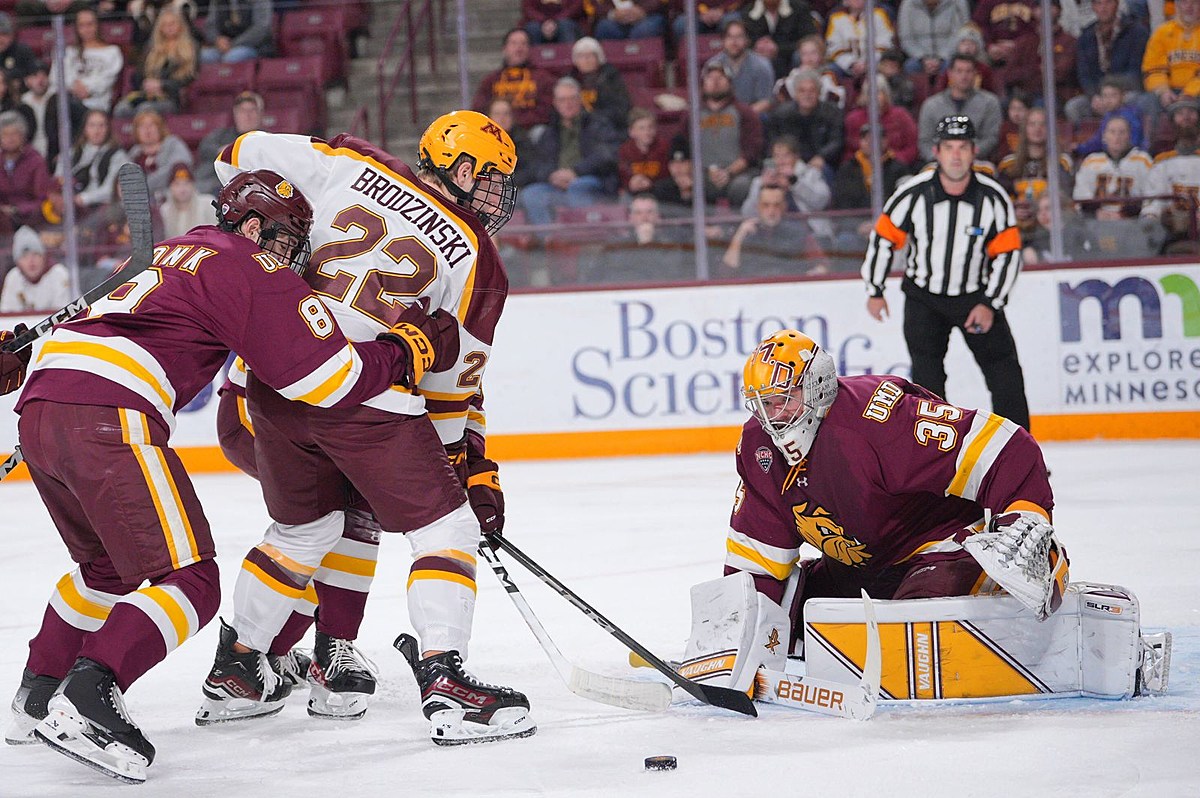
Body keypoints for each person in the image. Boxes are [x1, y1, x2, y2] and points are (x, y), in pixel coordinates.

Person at [4, 169, 449, 783]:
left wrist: (17, 350)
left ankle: (35, 695)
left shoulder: (164, 254)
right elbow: (327, 380)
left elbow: (104, 324)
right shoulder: (245, 262)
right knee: (191, 579)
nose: (291, 258)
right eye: (288, 239)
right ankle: (90, 693)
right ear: (251, 223)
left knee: (105, 571)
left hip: (41, 411)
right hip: (109, 416)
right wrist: (406, 349)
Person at [197, 111, 536, 744]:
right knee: (445, 527)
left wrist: (278, 249)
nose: (497, 198)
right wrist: (467, 477)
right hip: (363, 389)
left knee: (305, 530)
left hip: (274, 377)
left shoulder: (348, 161)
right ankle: (446, 683)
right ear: (461, 169)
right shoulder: (480, 262)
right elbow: (446, 391)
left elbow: (234, 152)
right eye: (492, 180)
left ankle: (238, 670)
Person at [722, 328, 1065, 658]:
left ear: (818, 386)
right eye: (763, 404)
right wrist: (742, 637)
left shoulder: (880, 420)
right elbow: (756, 561)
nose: (773, 417)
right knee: (788, 614)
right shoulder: (758, 448)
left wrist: (1025, 519)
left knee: (916, 630)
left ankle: (1005, 588)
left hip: (940, 548)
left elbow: (1006, 448)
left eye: (784, 400)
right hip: (863, 567)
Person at [862, 115, 1031, 431]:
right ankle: (936, 461)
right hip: (924, 299)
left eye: (963, 147)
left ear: (974, 151)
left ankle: (1019, 456)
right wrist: (875, 288)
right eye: (949, 147)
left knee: (1005, 374)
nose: (956, 155)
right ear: (936, 151)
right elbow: (884, 238)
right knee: (927, 386)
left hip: (974, 298)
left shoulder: (993, 199)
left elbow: (1008, 255)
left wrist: (990, 303)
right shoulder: (912, 194)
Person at [519, 76, 622, 226]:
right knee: (531, 194)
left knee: (578, 187)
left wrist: (575, 172)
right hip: (556, 183)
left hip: (590, 179)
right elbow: (537, 164)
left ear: (580, 100)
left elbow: (606, 156)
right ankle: (550, 240)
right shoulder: (549, 132)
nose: (567, 104)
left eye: (572, 99)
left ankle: (582, 238)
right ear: (555, 103)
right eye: (562, 100)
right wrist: (551, 175)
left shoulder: (598, 125)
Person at [580, 193, 689, 283]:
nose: (644, 217)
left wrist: (647, 245)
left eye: (649, 212)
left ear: (658, 217)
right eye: (638, 213)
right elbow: (594, 278)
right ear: (630, 218)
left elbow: (670, 277)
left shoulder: (670, 246)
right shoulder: (615, 245)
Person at [723, 183, 827, 276]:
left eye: (776, 205)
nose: (771, 211)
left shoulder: (799, 232)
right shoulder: (745, 233)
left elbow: (822, 266)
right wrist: (739, 236)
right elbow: (727, 273)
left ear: (784, 207)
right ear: (758, 207)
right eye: (766, 205)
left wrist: (811, 276)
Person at [113, 8, 199, 118]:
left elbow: (189, 79)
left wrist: (162, 85)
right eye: (165, 24)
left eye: (172, 23)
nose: (169, 27)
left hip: (172, 97)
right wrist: (146, 83)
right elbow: (138, 75)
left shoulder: (191, 47)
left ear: (181, 25)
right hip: (147, 94)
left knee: (145, 110)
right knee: (121, 109)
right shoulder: (151, 48)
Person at [918, 54, 1003, 161]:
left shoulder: (990, 102)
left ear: (976, 74)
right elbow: (925, 141)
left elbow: (992, 138)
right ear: (950, 74)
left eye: (968, 71)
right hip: (937, 163)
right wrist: (940, 159)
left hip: (977, 163)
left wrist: (967, 155)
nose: (964, 76)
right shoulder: (931, 105)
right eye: (959, 71)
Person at [472, 28, 556, 130]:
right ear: (504, 48)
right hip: (497, 131)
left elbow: (547, 111)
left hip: (530, 130)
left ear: (529, 49)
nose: (519, 48)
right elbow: (479, 109)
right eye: (514, 43)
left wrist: (516, 122)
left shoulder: (543, 78)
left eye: (523, 44)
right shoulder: (491, 80)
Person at [50, 8, 123, 112]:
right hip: (68, 102)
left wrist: (87, 88)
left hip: (96, 105)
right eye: (82, 25)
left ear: (98, 25)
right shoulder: (68, 51)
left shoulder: (112, 51)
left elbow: (107, 79)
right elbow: (55, 77)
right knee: (55, 101)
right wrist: (74, 87)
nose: (86, 29)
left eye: (90, 24)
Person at [66, 109, 131, 221]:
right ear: (85, 128)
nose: (97, 130)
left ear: (108, 129)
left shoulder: (118, 156)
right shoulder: (71, 153)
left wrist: (83, 198)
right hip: (71, 206)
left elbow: (111, 190)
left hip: (100, 210)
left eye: (101, 125)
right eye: (92, 125)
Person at [194, 91, 261, 195]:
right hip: (217, 183)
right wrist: (223, 150)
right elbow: (204, 148)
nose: (248, 115)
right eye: (243, 111)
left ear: (259, 114)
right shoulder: (222, 135)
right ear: (235, 113)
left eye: (252, 110)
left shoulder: (265, 138)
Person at [706, 18, 778, 114]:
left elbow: (765, 102)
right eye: (729, 37)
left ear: (747, 40)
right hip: (720, 116)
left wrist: (742, 117)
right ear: (723, 40)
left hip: (752, 116)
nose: (734, 42)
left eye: (739, 37)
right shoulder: (712, 65)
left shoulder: (762, 65)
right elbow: (707, 99)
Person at [1142, 0, 1200, 112]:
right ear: (1177, 5)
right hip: (1168, 91)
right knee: (1147, 102)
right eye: (1185, 2)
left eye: (1194, 3)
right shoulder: (1162, 32)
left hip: (1197, 92)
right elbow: (1152, 69)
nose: (1189, 7)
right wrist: (1163, 90)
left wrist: (1190, 93)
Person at [0, 110, 53, 231]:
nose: (10, 139)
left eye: (14, 134)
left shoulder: (35, 161)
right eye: (5, 134)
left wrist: (16, 209)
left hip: (29, 220)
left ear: (23, 136)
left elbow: (43, 198)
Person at [0, 225, 69, 312]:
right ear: (17, 262)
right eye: (24, 256)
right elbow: (7, 314)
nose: (31, 261)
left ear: (44, 256)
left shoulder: (59, 274)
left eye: (36, 254)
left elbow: (66, 314)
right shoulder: (13, 277)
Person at [744, 0, 819, 80]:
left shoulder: (799, 8)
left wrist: (778, 48)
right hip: (759, 57)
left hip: (789, 57)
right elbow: (746, 41)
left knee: (801, 55)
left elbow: (810, 39)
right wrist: (758, 46)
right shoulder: (748, 12)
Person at [127, 108, 192, 199]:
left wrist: (144, 186)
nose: (147, 130)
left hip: (171, 198)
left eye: (151, 125)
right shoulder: (134, 153)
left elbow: (177, 167)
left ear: (160, 127)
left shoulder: (173, 144)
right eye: (142, 126)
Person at [569, 36, 631, 129]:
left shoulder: (611, 78)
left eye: (590, 56)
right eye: (581, 56)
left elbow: (620, 109)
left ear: (599, 58)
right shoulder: (569, 80)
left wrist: (594, 118)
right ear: (575, 60)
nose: (586, 60)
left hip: (606, 126)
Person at [897, 0, 970, 78]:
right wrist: (922, 57)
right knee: (910, 66)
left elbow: (958, 35)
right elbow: (906, 38)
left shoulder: (956, 2)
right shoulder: (908, 4)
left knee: (950, 66)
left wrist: (941, 57)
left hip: (947, 55)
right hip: (918, 56)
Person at [825, 0, 895, 80]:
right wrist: (852, 63)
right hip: (846, 66)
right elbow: (834, 48)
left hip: (875, 63)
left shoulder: (879, 14)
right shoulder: (835, 17)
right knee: (830, 71)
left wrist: (868, 62)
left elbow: (885, 43)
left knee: (889, 68)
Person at [617, 107, 670, 194]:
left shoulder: (665, 148)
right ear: (631, 132)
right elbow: (623, 175)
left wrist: (651, 184)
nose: (647, 132)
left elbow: (668, 178)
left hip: (659, 193)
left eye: (650, 127)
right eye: (641, 128)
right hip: (632, 193)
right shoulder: (624, 151)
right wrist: (631, 182)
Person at [201, 0, 272, 64]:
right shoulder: (217, 1)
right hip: (223, 46)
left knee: (232, 57)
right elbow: (210, 26)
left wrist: (233, 44)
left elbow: (260, 29)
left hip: (253, 46)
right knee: (203, 56)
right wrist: (217, 39)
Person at [159, 162, 214, 238]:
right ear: (170, 187)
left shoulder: (208, 204)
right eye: (177, 184)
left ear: (193, 185)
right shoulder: (164, 211)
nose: (182, 189)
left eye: (186, 183)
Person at [591, 0, 667, 40]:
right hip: (614, 18)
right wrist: (613, 13)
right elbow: (595, 5)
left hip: (648, 15)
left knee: (644, 30)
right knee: (604, 28)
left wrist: (643, 10)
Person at [521, 0, 586, 44]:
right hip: (539, 22)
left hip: (567, 21)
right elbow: (528, 8)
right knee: (533, 28)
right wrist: (544, 20)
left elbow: (576, 7)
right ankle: (533, 62)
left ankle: (568, 61)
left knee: (565, 26)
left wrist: (555, 21)